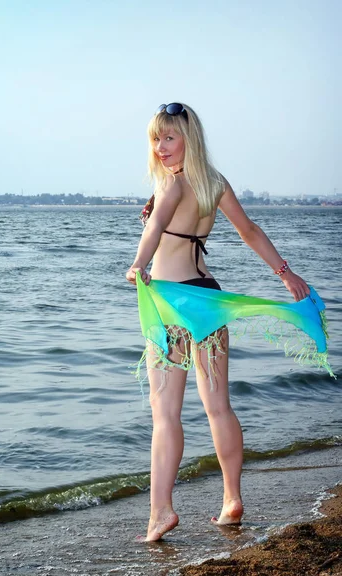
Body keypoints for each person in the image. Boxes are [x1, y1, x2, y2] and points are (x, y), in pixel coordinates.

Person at [125, 102, 310, 542]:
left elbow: (155, 231)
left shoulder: (173, 184)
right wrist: (286, 274)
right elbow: (249, 231)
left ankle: (161, 512)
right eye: (156, 137)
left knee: (166, 414)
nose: (161, 146)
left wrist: (138, 263)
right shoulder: (214, 182)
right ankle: (231, 500)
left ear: (190, 139)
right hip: (207, 298)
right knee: (218, 407)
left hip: (173, 307)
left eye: (170, 137)